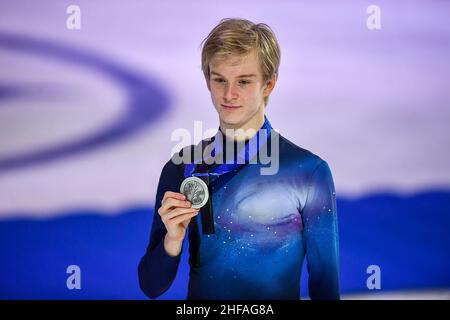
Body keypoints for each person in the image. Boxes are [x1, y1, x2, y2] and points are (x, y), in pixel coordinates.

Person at [138, 18, 340, 300]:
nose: (228, 94)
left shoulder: (308, 172)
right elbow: (151, 285)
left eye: (243, 82)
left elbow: (325, 286)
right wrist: (172, 240)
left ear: (269, 84)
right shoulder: (183, 168)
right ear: (207, 80)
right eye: (219, 79)